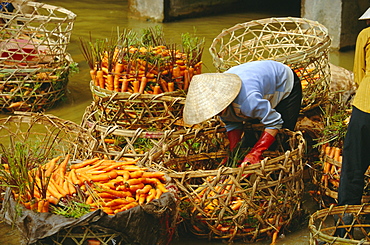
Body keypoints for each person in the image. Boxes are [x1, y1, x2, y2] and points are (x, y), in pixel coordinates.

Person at [183, 60, 302, 166]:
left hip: (284, 82)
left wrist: (257, 152)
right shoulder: (221, 103)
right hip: (256, 85)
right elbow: (232, 123)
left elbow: (274, 123)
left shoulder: (248, 101)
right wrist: (234, 152)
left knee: (281, 138)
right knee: (251, 137)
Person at [337, 7, 370, 207]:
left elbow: (358, 73)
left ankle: (346, 220)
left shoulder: (365, 35)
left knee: (354, 166)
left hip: (366, 106)